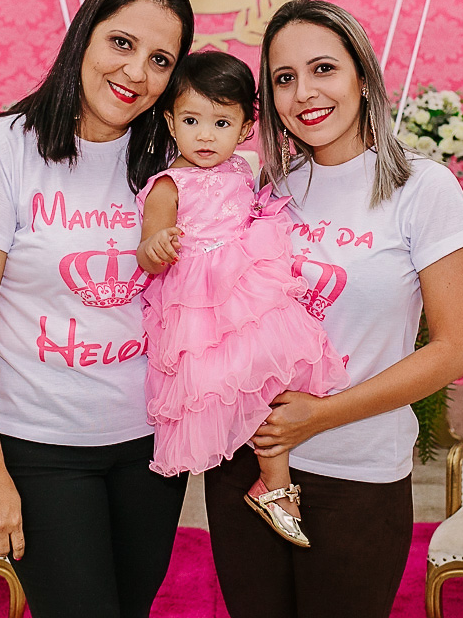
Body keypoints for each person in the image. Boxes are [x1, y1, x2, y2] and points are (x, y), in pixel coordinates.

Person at [204, 0, 463, 618]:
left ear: (362, 75)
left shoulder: (422, 189)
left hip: (358, 472)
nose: (304, 92)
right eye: (284, 78)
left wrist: (320, 416)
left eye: (323, 69)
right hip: (244, 465)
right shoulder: (267, 190)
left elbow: (453, 349)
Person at [0, 0, 196, 618]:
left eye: (160, 60)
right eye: (121, 43)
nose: (136, 72)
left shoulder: (171, 162)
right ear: (84, 36)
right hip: (41, 447)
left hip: (152, 447)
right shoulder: (3, 151)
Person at [134, 51, 349, 548]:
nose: (205, 136)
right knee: (236, 384)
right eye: (191, 121)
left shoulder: (241, 167)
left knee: (279, 375)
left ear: (246, 128)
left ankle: (272, 479)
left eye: (221, 122)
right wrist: (158, 246)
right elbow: (146, 252)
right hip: (203, 304)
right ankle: (274, 483)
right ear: (170, 122)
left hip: (249, 285)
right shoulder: (168, 185)